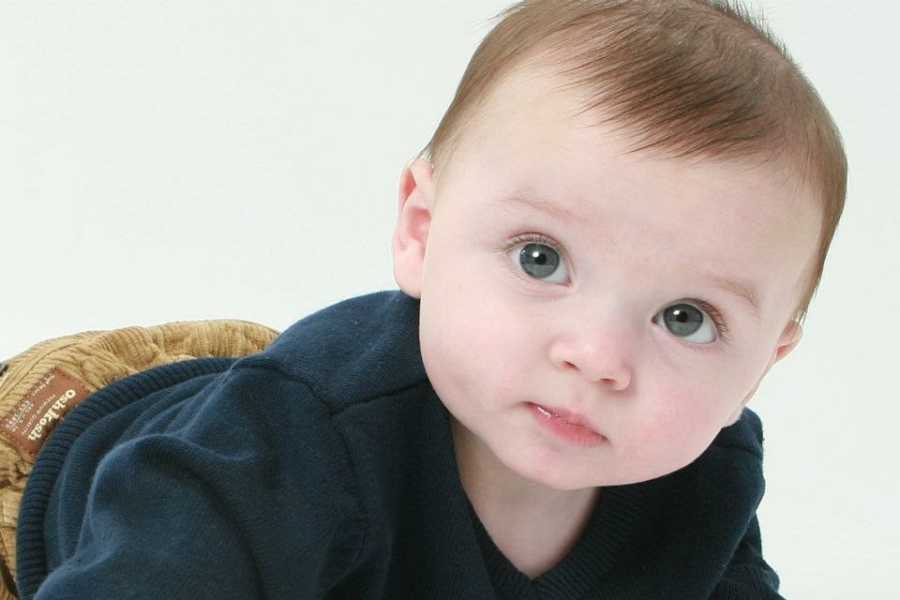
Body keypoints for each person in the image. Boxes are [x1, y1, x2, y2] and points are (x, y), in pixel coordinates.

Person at [4, 0, 846, 598]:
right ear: (421, 230)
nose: (595, 356)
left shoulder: (706, 477)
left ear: (764, 361)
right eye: (541, 258)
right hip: (55, 449)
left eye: (685, 319)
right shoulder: (297, 447)